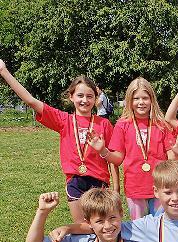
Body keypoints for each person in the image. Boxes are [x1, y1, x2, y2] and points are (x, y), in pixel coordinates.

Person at [0, 59, 118, 223]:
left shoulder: (104, 124)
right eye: (80, 95)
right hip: (75, 181)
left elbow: (114, 158)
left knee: (101, 227)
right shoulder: (64, 120)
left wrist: (116, 186)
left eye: (90, 96)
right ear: (71, 97)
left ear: (96, 99)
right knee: (81, 228)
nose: (85, 100)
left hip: (99, 182)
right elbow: (30, 101)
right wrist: (4, 71)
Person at [87, 77, 178, 220]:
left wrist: (177, 154)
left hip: (162, 187)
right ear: (129, 101)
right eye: (136, 98)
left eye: (145, 98)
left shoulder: (161, 125)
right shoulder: (122, 125)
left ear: (152, 100)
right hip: (135, 188)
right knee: (140, 231)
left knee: (162, 227)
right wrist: (103, 151)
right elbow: (118, 159)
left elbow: (170, 159)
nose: (141, 102)